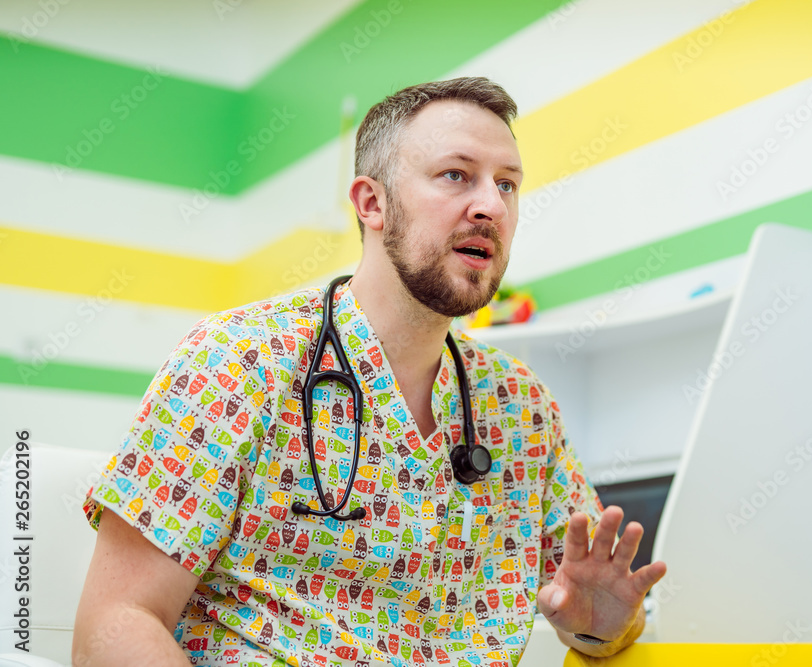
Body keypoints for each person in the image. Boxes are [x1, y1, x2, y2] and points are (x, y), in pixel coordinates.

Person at [74, 76, 666, 667]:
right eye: (456, 175)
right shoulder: (239, 360)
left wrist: (605, 626)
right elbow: (117, 623)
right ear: (372, 203)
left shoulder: (519, 406)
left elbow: (601, 613)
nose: (491, 204)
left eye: (507, 184)